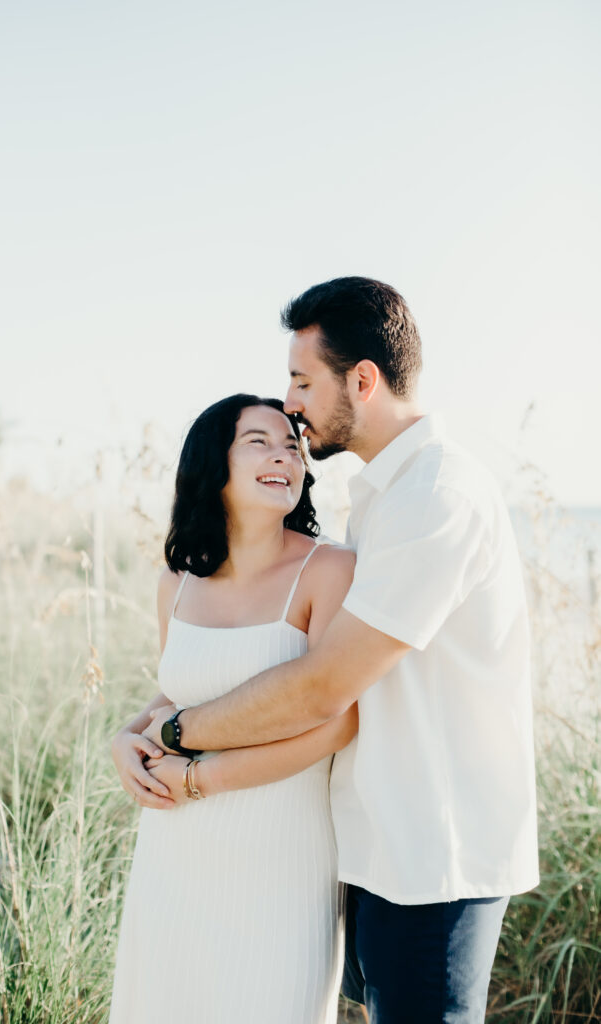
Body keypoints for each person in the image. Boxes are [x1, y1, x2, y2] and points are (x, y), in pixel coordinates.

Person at [140, 278, 540, 1023]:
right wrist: (138, 731)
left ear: (361, 380)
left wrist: (174, 742)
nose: (289, 402)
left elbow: (323, 687)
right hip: (376, 841)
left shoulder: (436, 495)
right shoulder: (385, 495)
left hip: (433, 850)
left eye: (301, 380)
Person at [108, 393, 357, 1024]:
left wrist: (200, 778)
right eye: (259, 442)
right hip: (175, 850)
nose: (284, 456)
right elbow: (183, 693)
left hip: (282, 855)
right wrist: (126, 737)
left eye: (292, 446)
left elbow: (338, 720)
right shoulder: (177, 583)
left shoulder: (328, 570)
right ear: (211, 462)